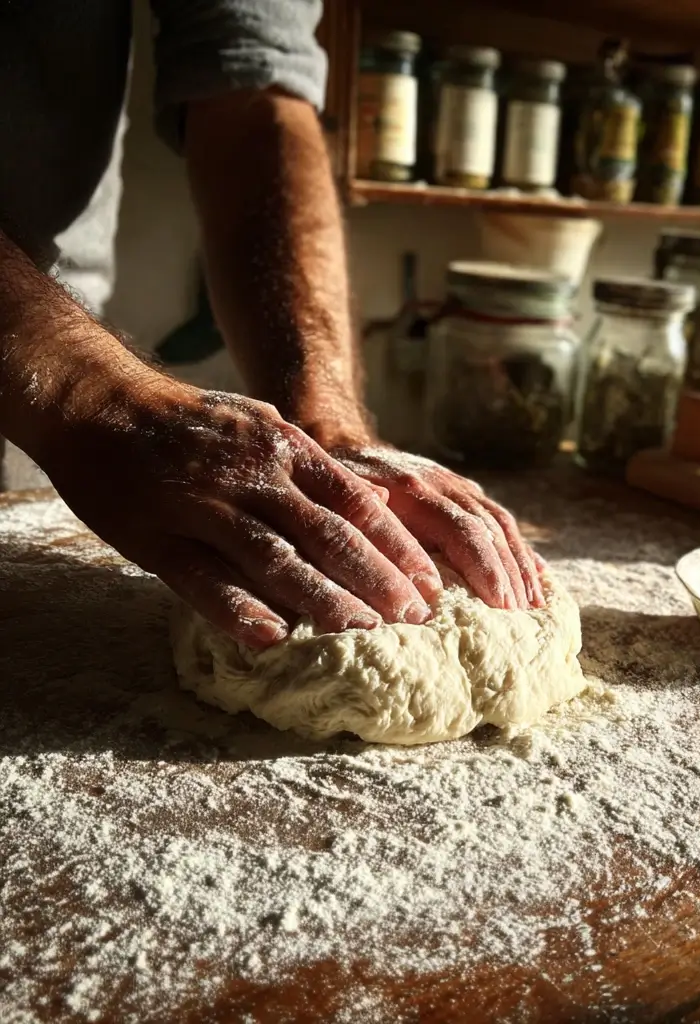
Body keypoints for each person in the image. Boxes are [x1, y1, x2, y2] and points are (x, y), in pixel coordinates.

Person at [0, 1, 542, 649]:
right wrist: (98, 395)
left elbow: (255, 82)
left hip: (53, 449)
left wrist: (327, 425)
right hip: (57, 395)